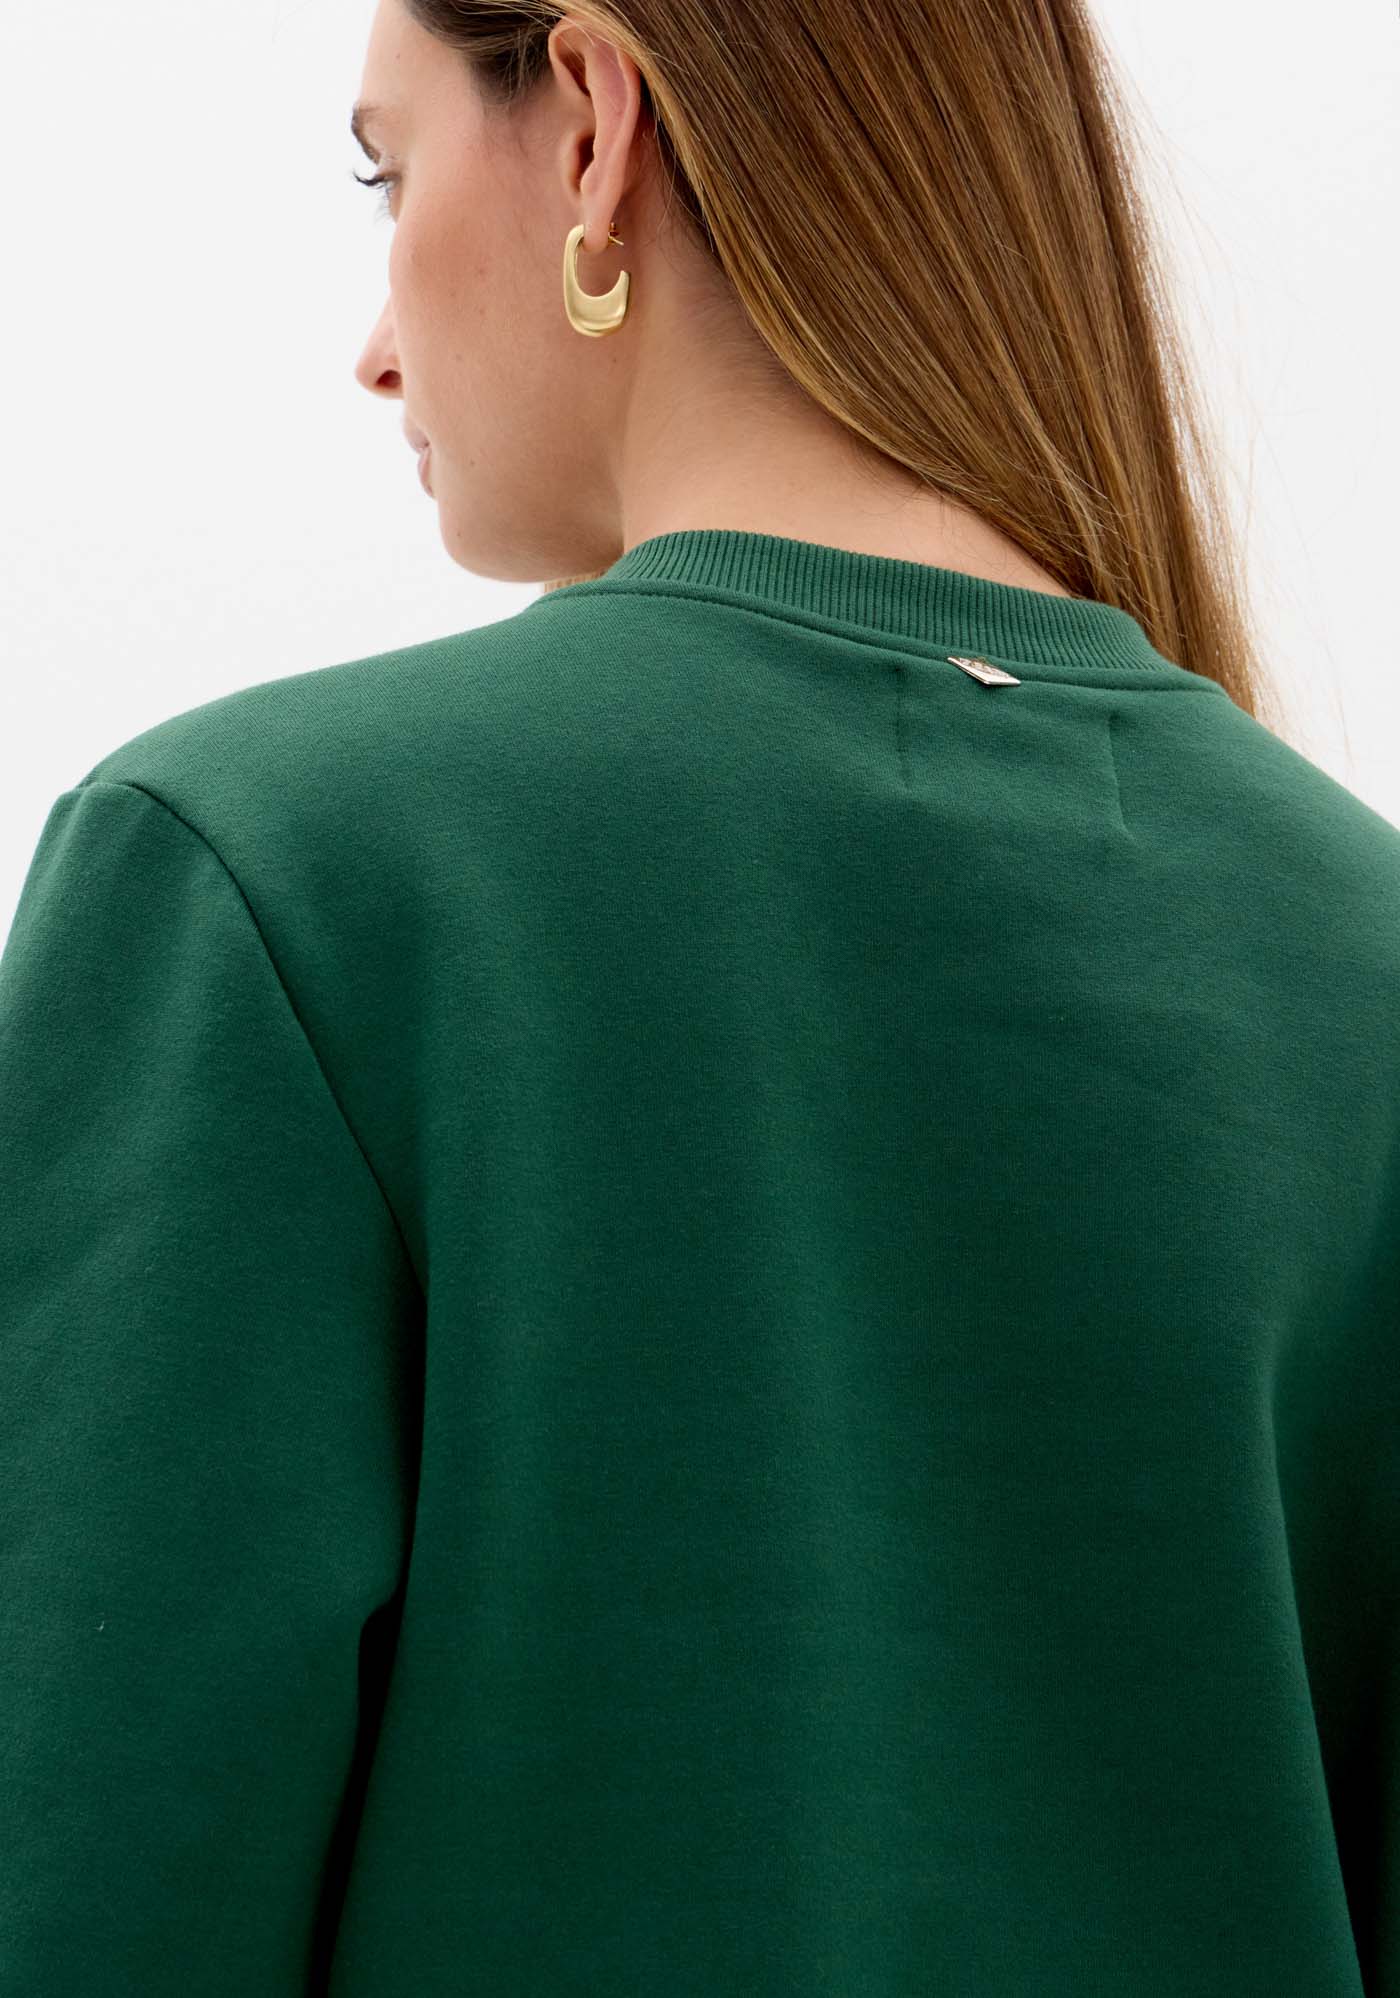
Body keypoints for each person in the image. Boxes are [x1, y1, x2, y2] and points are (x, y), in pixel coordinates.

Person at [1, 0, 1394, 1992]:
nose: (375, 343)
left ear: (590, 126)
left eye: (387, 173)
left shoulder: (262, 876)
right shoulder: (1362, 957)